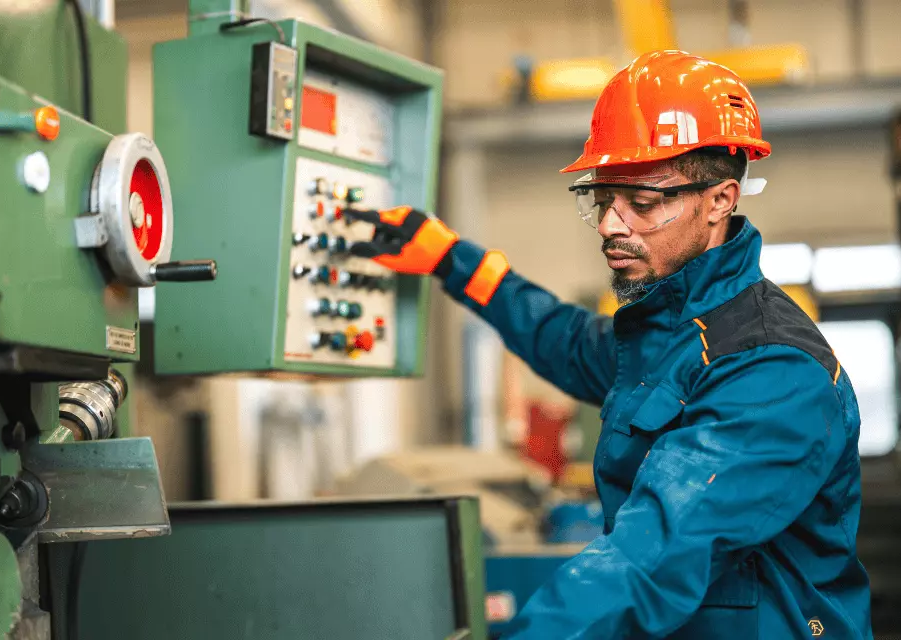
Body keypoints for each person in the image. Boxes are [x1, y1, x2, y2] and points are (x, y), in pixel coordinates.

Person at [350, 50, 871, 639]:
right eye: (602, 199)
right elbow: (563, 339)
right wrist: (452, 259)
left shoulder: (770, 369)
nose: (610, 225)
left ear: (721, 201)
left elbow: (655, 554)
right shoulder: (668, 333)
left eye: (642, 204)